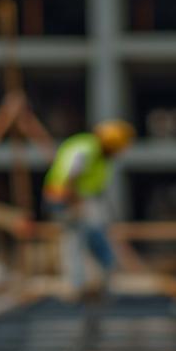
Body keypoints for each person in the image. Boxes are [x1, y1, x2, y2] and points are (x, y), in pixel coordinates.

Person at [43, 120, 135, 296]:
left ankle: (99, 278)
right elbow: (70, 175)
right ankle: (78, 286)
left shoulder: (98, 153)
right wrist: (74, 202)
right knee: (76, 239)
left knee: (89, 236)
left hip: (80, 198)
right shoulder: (87, 149)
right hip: (66, 199)